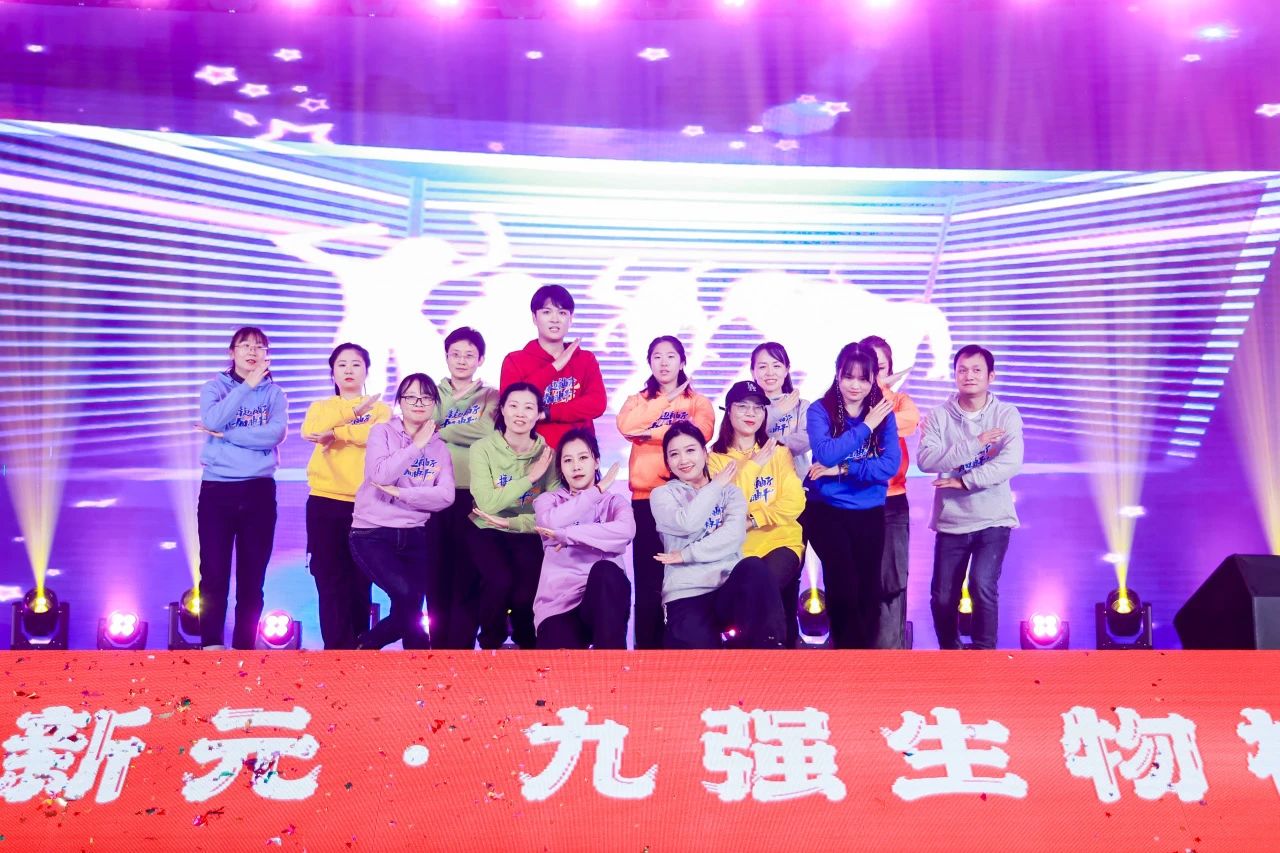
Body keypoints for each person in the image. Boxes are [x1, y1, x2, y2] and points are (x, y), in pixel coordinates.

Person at [916, 344, 1023, 650]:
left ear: (991, 376)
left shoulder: (1006, 414)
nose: (969, 376)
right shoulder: (938, 416)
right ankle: (951, 654)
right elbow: (926, 460)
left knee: (981, 585)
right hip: (952, 521)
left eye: (977, 370)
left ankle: (985, 655)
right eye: (962, 370)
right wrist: (975, 443)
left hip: (994, 519)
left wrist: (964, 481)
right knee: (943, 597)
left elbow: (1010, 462)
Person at [615, 335, 715, 649]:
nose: (664, 362)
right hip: (646, 500)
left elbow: (700, 434)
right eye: (657, 356)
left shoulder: (698, 402)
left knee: (688, 576)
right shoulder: (637, 400)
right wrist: (664, 401)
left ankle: (684, 647)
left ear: (682, 361)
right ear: (649, 362)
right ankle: (647, 652)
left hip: (687, 498)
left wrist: (649, 433)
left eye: (671, 356)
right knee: (649, 581)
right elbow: (627, 426)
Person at [651, 421, 787, 649]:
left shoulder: (731, 492)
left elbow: (734, 535)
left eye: (690, 450)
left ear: (705, 453)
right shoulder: (662, 495)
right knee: (698, 660)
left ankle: (770, 654)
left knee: (754, 568)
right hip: (687, 592)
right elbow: (687, 523)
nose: (683, 460)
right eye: (674, 454)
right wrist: (714, 487)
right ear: (667, 462)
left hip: (728, 585)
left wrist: (686, 554)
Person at [195, 326, 288, 651]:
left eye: (259, 346)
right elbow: (213, 419)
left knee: (252, 578)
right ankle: (211, 645)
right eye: (245, 345)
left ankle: (243, 648)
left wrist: (227, 435)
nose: (252, 351)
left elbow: (274, 435)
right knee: (213, 573)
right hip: (217, 490)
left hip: (258, 491)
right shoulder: (214, 388)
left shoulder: (275, 394)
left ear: (267, 355)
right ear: (232, 352)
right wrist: (246, 387)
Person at [803, 342, 901, 649]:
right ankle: (847, 655)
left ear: (873, 379)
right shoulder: (820, 410)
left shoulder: (884, 413)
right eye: (848, 377)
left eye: (863, 378)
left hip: (869, 510)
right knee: (842, 583)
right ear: (837, 374)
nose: (855, 385)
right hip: (826, 509)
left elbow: (890, 466)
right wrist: (866, 427)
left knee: (868, 588)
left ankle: (864, 657)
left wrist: (844, 469)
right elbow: (825, 454)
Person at [348, 374, 455, 650]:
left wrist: (402, 494)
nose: (418, 403)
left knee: (410, 610)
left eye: (426, 398)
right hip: (372, 533)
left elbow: (446, 496)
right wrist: (416, 445)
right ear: (400, 401)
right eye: (411, 397)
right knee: (407, 599)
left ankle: (379, 653)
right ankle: (365, 647)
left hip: (415, 534)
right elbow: (380, 475)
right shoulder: (381, 432)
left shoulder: (440, 448)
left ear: (434, 403)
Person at [300, 343, 391, 649]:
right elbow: (312, 431)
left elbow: (376, 435)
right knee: (328, 577)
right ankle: (335, 649)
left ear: (366, 371)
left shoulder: (381, 409)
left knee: (360, 578)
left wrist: (339, 433)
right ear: (333, 372)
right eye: (342, 364)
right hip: (324, 502)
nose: (349, 370)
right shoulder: (321, 407)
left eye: (356, 364)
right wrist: (352, 413)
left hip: (365, 504)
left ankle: (359, 647)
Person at [708, 381, 806, 648]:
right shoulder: (714, 459)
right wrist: (752, 466)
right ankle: (763, 651)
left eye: (758, 407)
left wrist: (754, 519)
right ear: (728, 411)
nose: (751, 413)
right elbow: (727, 505)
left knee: (761, 581)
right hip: (736, 551)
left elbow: (794, 502)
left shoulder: (779, 452)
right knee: (751, 586)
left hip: (781, 542)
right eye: (742, 406)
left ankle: (770, 647)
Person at [464, 381, 561, 649]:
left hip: (526, 530)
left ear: (539, 414)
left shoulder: (548, 455)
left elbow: (553, 513)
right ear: (503, 410)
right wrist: (530, 478)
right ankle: (490, 645)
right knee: (499, 581)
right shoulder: (482, 449)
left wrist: (514, 522)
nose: (520, 413)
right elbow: (487, 503)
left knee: (525, 594)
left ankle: (528, 648)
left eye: (529, 407)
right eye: (514, 406)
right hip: (486, 528)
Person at [532, 429, 635, 649]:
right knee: (556, 664)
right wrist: (596, 491)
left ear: (596, 462)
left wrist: (568, 535)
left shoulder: (615, 502)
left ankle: (611, 666)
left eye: (583, 458)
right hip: (559, 604)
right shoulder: (547, 501)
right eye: (568, 460)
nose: (576, 466)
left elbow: (626, 531)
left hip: (604, 599)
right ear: (560, 468)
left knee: (606, 571)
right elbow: (550, 523)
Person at [431, 327, 500, 648]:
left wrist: (442, 428)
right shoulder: (430, 392)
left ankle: (461, 649)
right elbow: (421, 425)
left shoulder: (491, 396)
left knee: (468, 574)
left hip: (473, 495)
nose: (461, 360)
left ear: (480, 359)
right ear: (446, 357)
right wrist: (446, 427)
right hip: (433, 494)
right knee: (436, 573)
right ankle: (436, 649)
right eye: (455, 354)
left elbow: (486, 431)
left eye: (469, 355)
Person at [859, 335, 921, 650]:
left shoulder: (899, 401)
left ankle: (889, 656)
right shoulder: (843, 403)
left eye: (879, 368)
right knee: (855, 581)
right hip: (852, 502)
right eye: (866, 368)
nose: (873, 375)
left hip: (891, 501)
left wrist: (879, 397)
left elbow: (910, 422)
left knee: (892, 582)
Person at [499, 284, 606, 451]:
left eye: (562, 313)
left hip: (578, 456)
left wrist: (549, 413)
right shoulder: (515, 360)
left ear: (571, 318)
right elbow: (514, 405)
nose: (555, 319)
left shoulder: (586, 359)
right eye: (547, 312)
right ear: (534, 317)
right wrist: (555, 367)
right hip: (531, 455)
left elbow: (597, 404)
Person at [751, 342, 811, 478]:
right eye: (762, 367)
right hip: (758, 481)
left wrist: (767, 445)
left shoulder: (802, 405)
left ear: (786, 370)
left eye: (776, 366)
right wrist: (778, 411)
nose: (770, 372)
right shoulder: (747, 409)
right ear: (753, 372)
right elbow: (743, 440)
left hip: (796, 480)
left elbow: (807, 439)